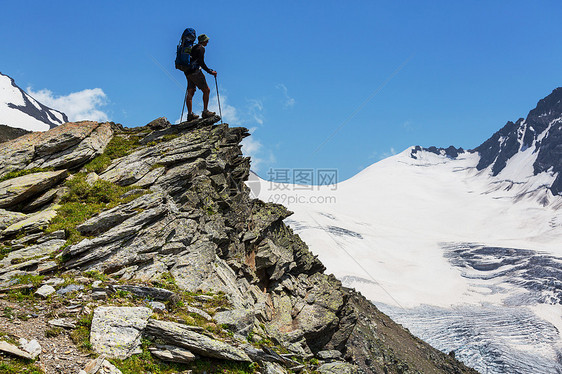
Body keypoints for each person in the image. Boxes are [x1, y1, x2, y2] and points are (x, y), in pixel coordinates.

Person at [184, 34, 217, 121]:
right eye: (206, 40)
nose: (207, 42)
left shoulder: (193, 47)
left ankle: (190, 114)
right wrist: (210, 72)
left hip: (187, 72)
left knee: (190, 91)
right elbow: (201, 62)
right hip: (196, 71)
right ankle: (205, 112)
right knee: (207, 90)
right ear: (203, 41)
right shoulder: (201, 48)